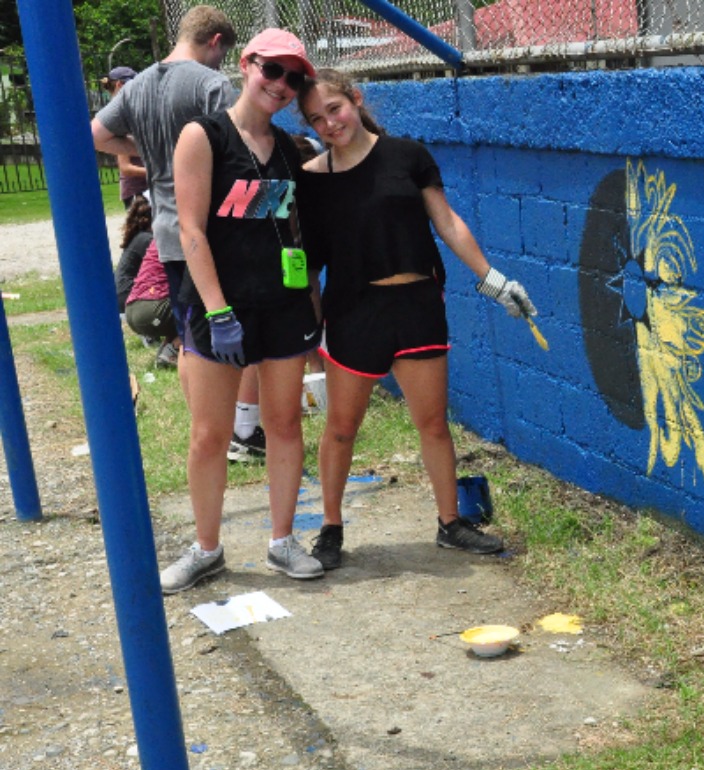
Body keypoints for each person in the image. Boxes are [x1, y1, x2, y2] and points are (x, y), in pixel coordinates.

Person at [294, 68, 538, 569]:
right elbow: (311, 264)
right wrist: (308, 326)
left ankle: (451, 523)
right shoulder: (312, 180)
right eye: (316, 119)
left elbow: (446, 221)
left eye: (334, 109)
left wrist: (493, 280)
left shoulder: (408, 155)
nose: (329, 123)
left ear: (356, 100)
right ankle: (330, 529)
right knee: (340, 428)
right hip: (353, 313)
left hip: (418, 307)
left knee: (433, 424)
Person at [158, 27, 324, 594]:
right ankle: (206, 549)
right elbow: (191, 230)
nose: (281, 84)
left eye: (293, 78)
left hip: (281, 306)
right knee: (211, 434)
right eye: (272, 70)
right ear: (247, 64)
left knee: (284, 424)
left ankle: (282, 541)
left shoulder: (290, 149)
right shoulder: (203, 136)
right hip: (219, 310)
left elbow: (295, 230)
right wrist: (217, 311)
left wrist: (312, 305)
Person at [91, 6, 266, 462]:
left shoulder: (138, 85)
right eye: (222, 53)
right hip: (212, 230)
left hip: (168, 230)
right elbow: (236, 150)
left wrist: (148, 152)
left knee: (190, 338)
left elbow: (97, 134)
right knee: (236, 329)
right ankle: (242, 430)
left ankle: (205, 428)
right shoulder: (211, 84)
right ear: (215, 42)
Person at [113, 195, 178, 368]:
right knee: (196, 307)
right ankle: (174, 347)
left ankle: (167, 347)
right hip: (139, 301)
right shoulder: (150, 239)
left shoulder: (140, 237)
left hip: (131, 302)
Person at [100, 66, 148, 209]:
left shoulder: (131, 111)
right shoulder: (117, 118)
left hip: (148, 187)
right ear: (120, 85)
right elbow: (125, 167)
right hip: (137, 191)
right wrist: (159, 172)